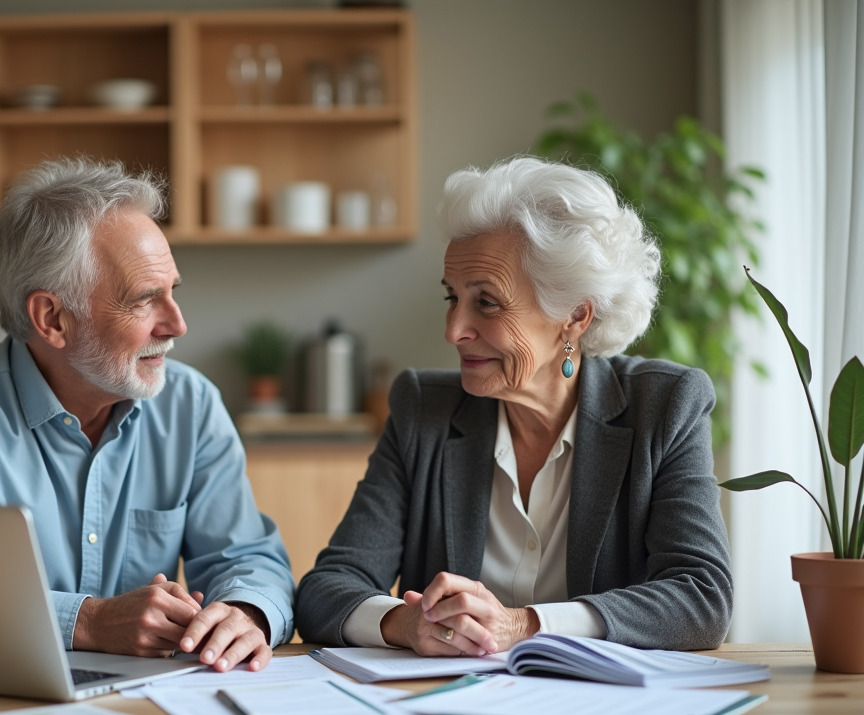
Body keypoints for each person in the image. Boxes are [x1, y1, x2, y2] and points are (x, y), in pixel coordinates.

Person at [294, 156, 732, 656]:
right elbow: (327, 589)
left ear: (574, 315)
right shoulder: (423, 411)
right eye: (451, 298)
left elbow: (703, 598)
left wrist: (524, 625)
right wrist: (404, 623)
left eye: (487, 302)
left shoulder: (664, 408)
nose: (453, 330)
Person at [0, 156, 294, 672]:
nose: (178, 324)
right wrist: (87, 622)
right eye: (144, 300)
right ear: (52, 318)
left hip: (149, 711)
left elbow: (249, 558)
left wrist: (244, 612)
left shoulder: (192, 404)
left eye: (173, 293)